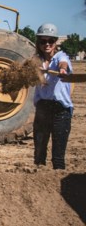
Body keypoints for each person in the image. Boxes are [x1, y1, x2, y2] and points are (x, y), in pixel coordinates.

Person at [32, 22, 73, 170]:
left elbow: (64, 64)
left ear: (55, 42)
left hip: (61, 111)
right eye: (43, 41)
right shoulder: (36, 61)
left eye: (50, 41)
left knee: (58, 156)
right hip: (43, 108)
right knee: (39, 154)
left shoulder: (61, 57)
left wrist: (62, 71)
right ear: (39, 43)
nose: (47, 44)